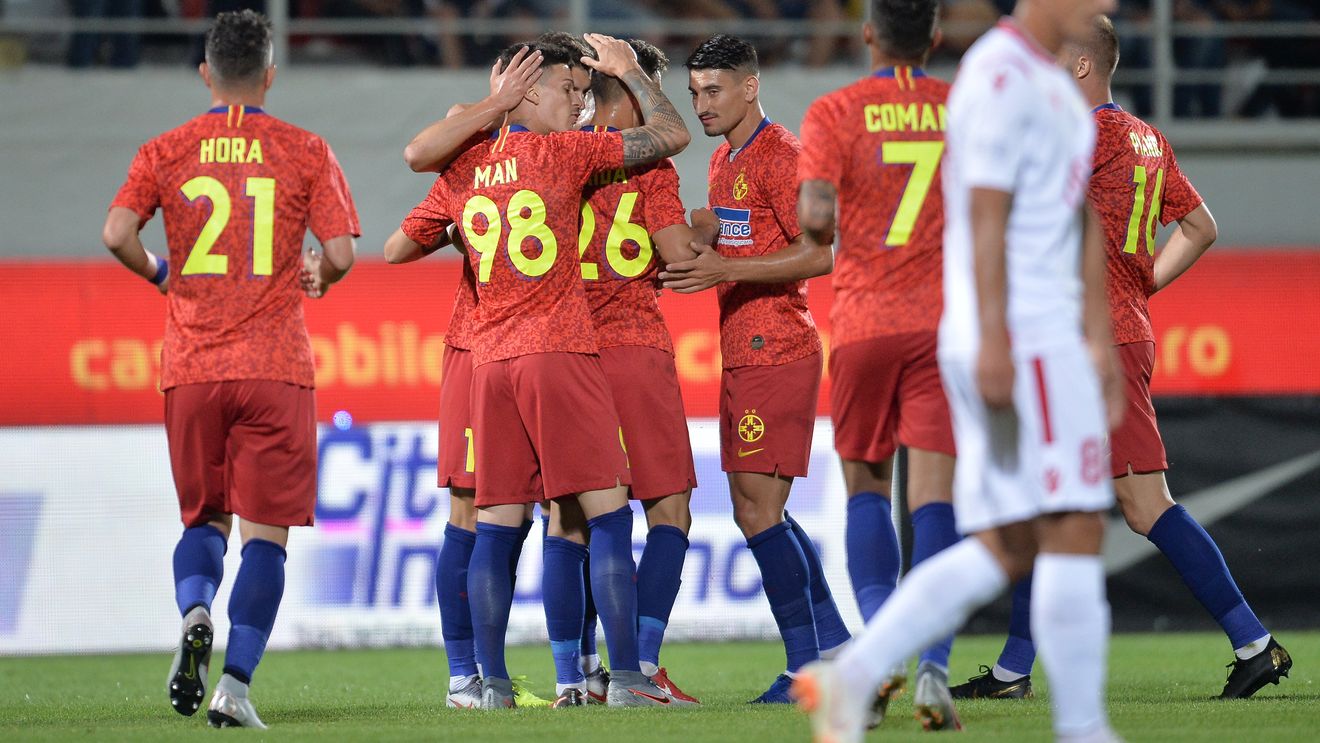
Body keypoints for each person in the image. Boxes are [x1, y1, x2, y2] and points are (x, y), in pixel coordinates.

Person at [794, 0, 1126, 740]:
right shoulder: (992, 80)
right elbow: (982, 213)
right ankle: (1078, 724)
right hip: (1014, 331)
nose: (1106, 5)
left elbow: (1077, 217)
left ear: (870, 34)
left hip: (878, 323)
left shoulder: (1029, 85)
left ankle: (857, 669)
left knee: (1008, 536)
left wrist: (1099, 339)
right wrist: (999, 337)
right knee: (1061, 522)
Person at [951, 14, 1293, 703]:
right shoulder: (1146, 137)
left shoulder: (1078, 135)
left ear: (1082, 65)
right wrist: (1142, 282)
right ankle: (1016, 670)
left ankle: (1255, 643)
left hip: (1086, 337)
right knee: (1046, 501)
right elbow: (1200, 226)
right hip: (1117, 327)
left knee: (1141, 504)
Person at [381, 33, 691, 709]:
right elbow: (670, 133)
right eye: (568, 91)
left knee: (497, 522)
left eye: (585, 94)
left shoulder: (464, 164)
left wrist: (489, 109)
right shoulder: (565, 152)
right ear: (529, 90)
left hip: (489, 359)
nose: (579, 104)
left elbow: (409, 189)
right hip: (558, 349)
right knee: (606, 514)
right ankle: (631, 677)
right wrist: (631, 71)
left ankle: (485, 683)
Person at [101, 9, 359, 729]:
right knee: (266, 535)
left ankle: (193, 611)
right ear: (270, 75)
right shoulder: (305, 149)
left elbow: (116, 232)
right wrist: (318, 274)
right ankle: (235, 687)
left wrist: (162, 274)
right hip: (275, 365)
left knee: (205, 518)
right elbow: (339, 254)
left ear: (206, 74)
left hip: (191, 363)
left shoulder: (167, 148)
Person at [664, 32, 851, 705]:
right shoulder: (724, 160)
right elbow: (733, 228)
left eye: (713, 89)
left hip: (779, 350)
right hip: (743, 351)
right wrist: (697, 237)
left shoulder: (784, 156)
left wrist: (726, 267)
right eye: (694, 93)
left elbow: (822, 253)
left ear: (751, 86)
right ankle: (837, 646)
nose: (702, 103)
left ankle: (808, 665)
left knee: (756, 511)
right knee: (762, 508)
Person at [796, 0, 961, 728]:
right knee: (936, 502)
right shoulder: (965, 108)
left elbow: (814, 219)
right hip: (943, 325)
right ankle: (934, 668)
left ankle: (882, 649)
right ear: (935, 36)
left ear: (867, 34)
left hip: (864, 322)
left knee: (866, 485)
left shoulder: (834, 111)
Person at [387, 44, 553, 710]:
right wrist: (459, 227)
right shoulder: (471, 159)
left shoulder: (555, 160)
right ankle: (467, 676)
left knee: (538, 509)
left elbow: (403, 242)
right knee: (474, 505)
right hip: (477, 347)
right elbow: (400, 243)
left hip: (541, 349)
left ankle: (503, 669)